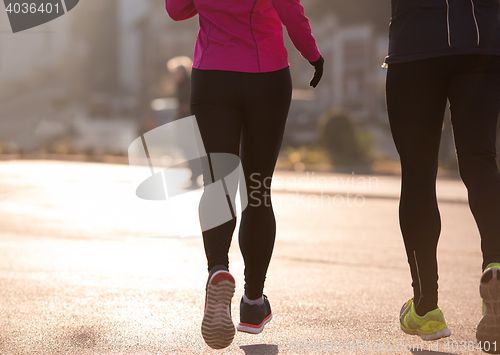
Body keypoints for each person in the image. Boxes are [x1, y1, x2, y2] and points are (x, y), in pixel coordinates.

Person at [166, 0, 324, 349]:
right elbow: (290, 11)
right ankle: (253, 303)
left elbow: (175, 9)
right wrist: (312, 54)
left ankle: (217, 270)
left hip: (212, 76)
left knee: (218, 183)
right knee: (257, 190)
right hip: (266, 76)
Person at [384, 0, 500, 345]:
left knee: (418, 174)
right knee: (480, 160)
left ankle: (426, 308)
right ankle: (496, 266)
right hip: (482, 39)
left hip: (417, 42)